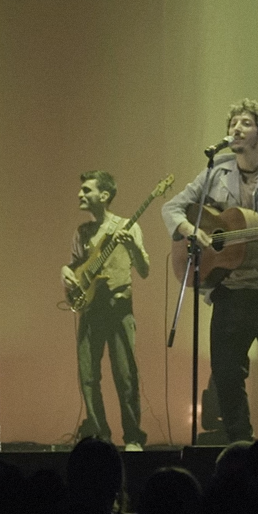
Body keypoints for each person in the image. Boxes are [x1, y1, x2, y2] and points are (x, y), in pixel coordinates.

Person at [163, 99, 258, 443]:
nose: (236, 128)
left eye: (245, 123)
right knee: (226, 374)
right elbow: (172, 207)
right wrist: (190, 230)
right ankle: (239, 444)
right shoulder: (216, 172)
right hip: (229, 291)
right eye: (233, 123)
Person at [68, 170, 149, 450]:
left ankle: (133, 438)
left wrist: (133, 246)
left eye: (87, 190)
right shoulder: (82, 232)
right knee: (88, 377)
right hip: (91, 310)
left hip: (119, 309)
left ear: (104, 195)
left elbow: (144, 270)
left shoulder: (127, 226)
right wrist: (65, 272)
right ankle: (101, 438)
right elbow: (75, 266)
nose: (80, 194)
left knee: (125, 376)